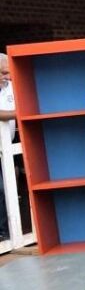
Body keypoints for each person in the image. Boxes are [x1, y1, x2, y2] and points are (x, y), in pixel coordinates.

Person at [0, 53, 15, 241]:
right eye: (4, 73)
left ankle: (7, 230)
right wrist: (19, 113)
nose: (8, 77)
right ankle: (3, 232)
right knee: (1, 189)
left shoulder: (12, 87)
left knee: (9, 188)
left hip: (11, 148)